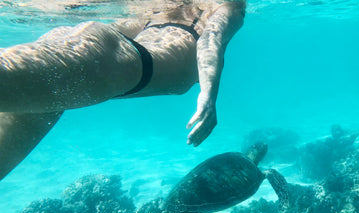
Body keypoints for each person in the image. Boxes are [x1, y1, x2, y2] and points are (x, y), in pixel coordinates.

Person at [0, 0, 246, 181]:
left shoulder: (159, 12)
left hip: (94, 49)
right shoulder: (229, 5)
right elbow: (210, 39)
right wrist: (208, 95)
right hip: (112, 63)